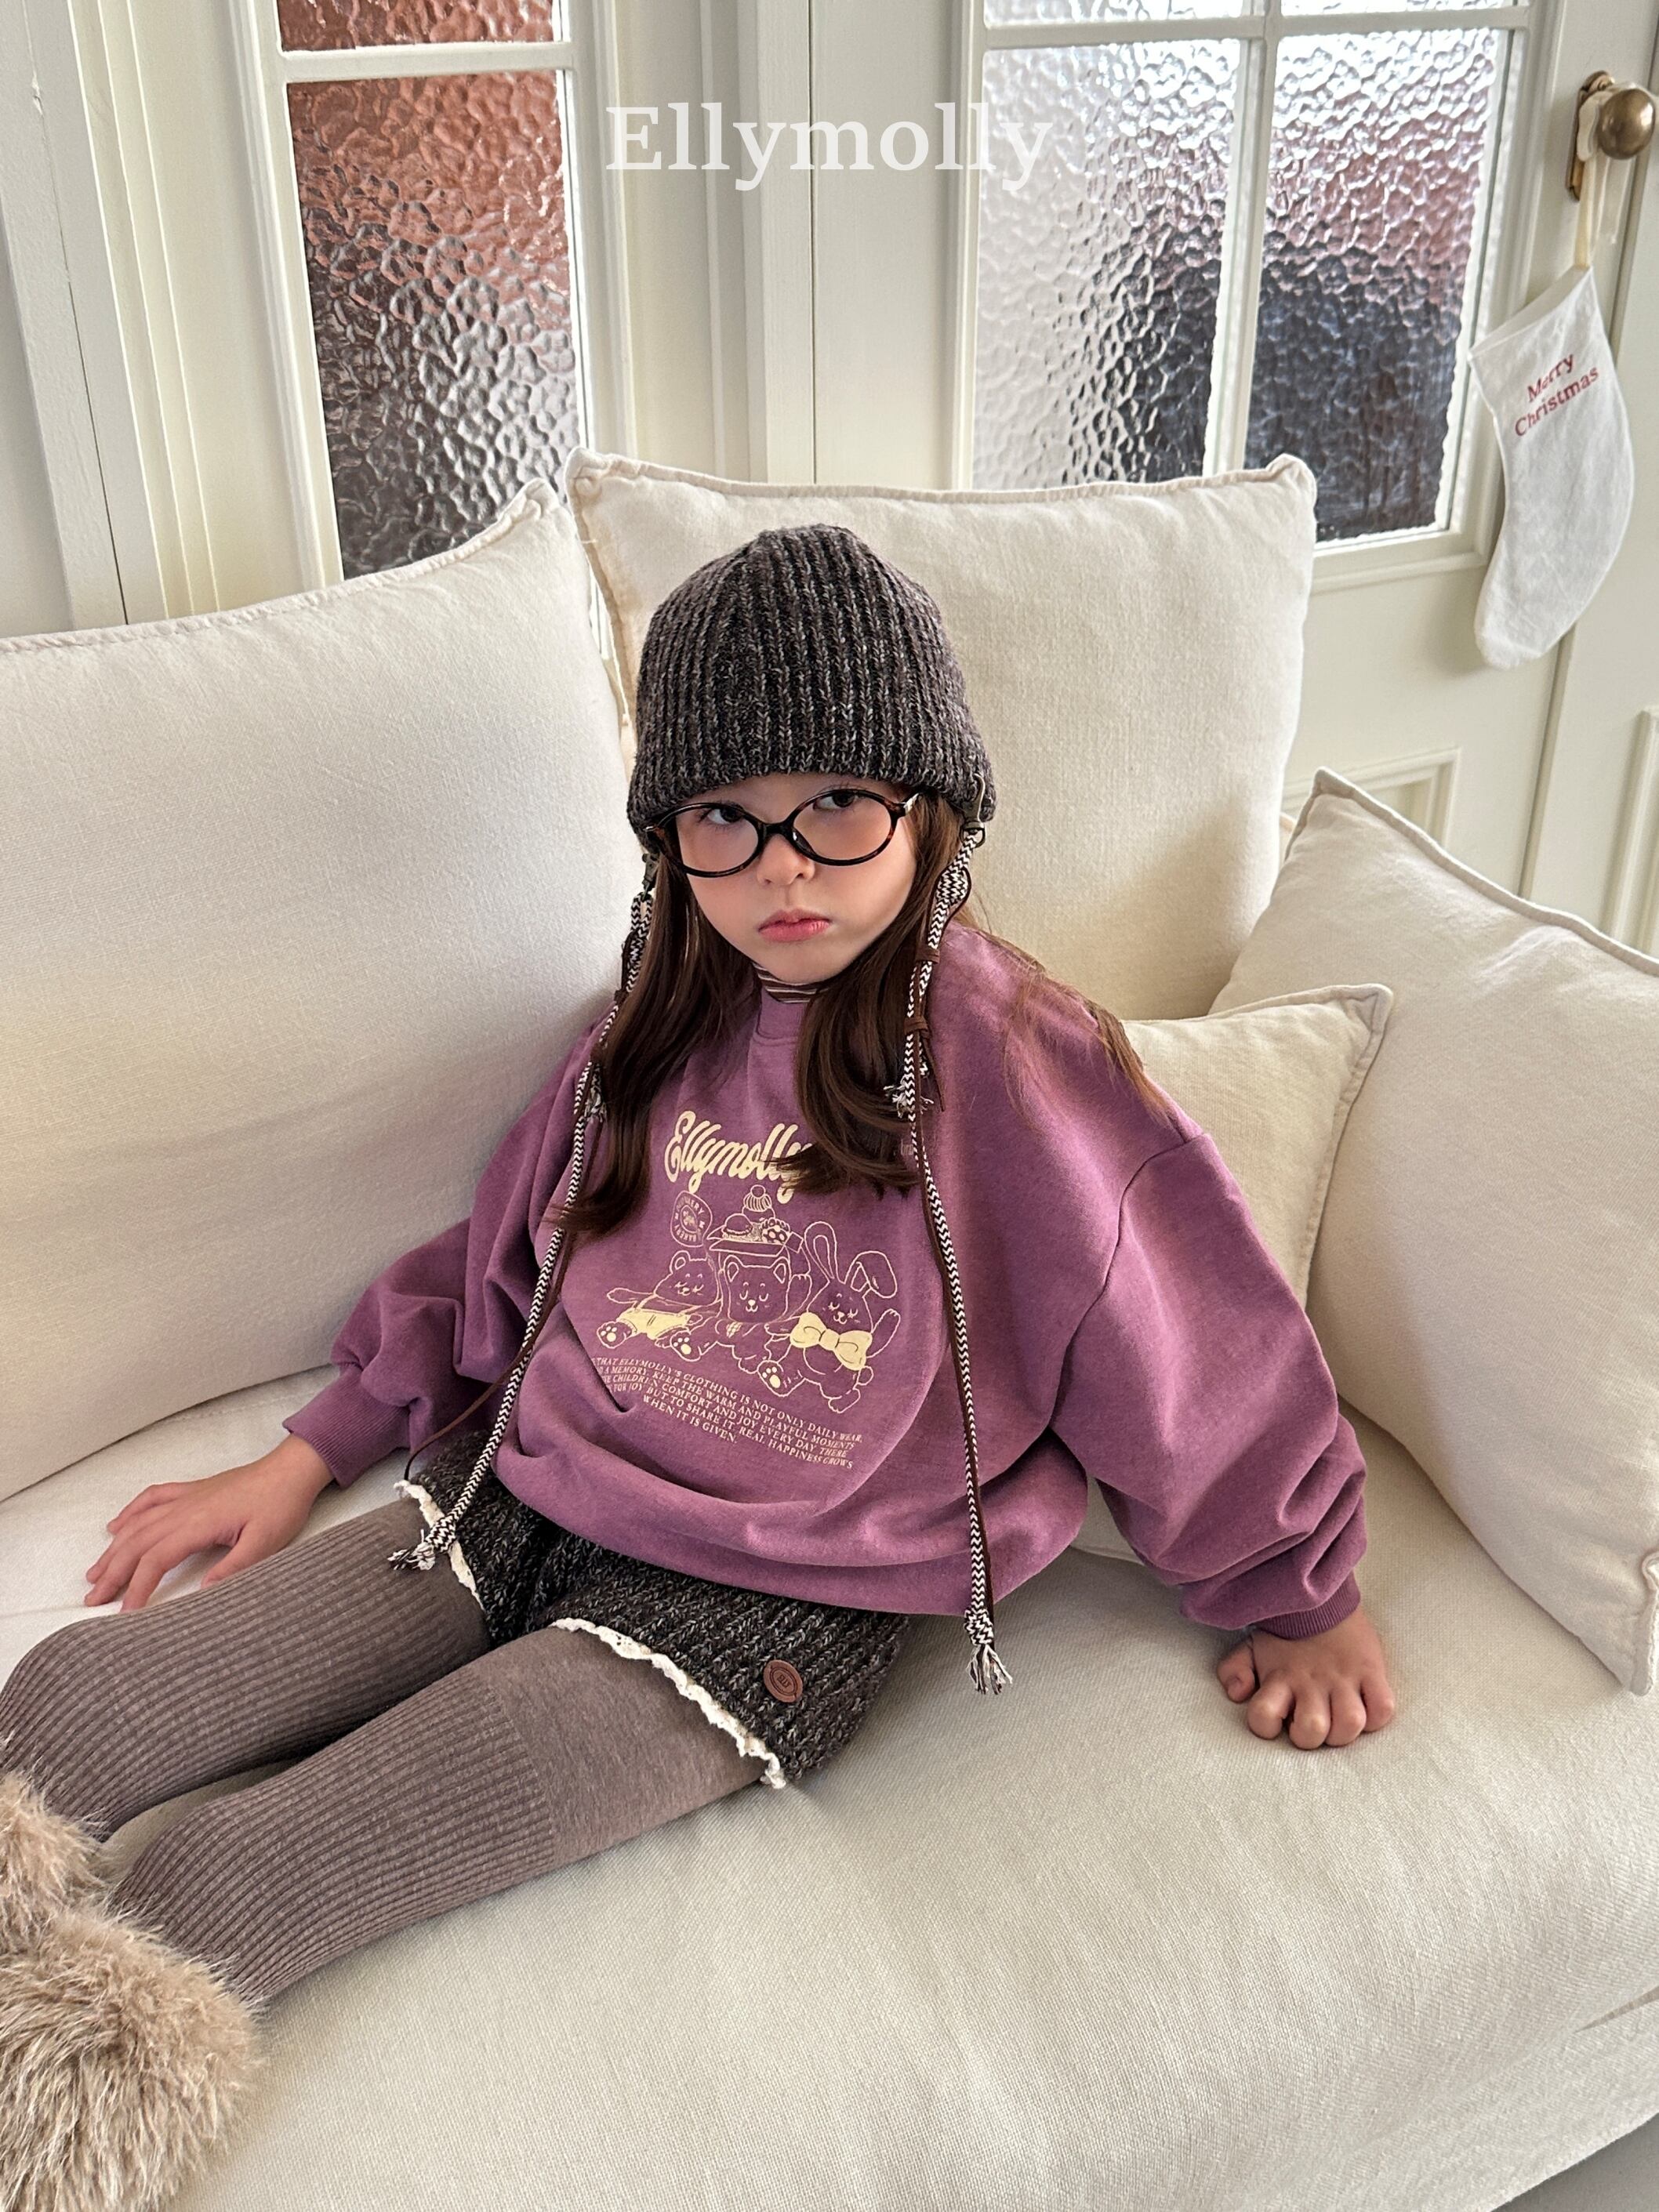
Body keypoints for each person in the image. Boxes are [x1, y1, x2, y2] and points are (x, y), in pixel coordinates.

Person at [0, 523, 1395, 2212]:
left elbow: (1178, 1331)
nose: (782, 867)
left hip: (759, 1613)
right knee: (64, 1704)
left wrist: (1290, 1585)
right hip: (515, 1495)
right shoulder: (653, 1026)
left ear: (929, 808)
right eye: (724, 816)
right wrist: (309, 1450)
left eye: (837, 805)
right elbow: (500, 1261)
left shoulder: (1012, 1064)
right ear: (670, 837)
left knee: (232, 1876)